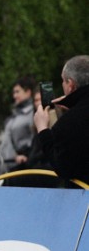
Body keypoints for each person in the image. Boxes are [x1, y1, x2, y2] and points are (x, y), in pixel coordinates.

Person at [33, 54, 89, 185]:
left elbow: (63, 168)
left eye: (63, 81)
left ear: (70, 84)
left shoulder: (69, 123)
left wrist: (42, 129)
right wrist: (74, 103)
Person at [0, 76, 36, 171]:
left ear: (28, 92)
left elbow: (36, 140)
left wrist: (29, 156)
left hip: (27, 164)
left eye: (17, 92)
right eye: (14, 92)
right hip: (10, 164)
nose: (14, 96)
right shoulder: (13, 116)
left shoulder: (33, 113)